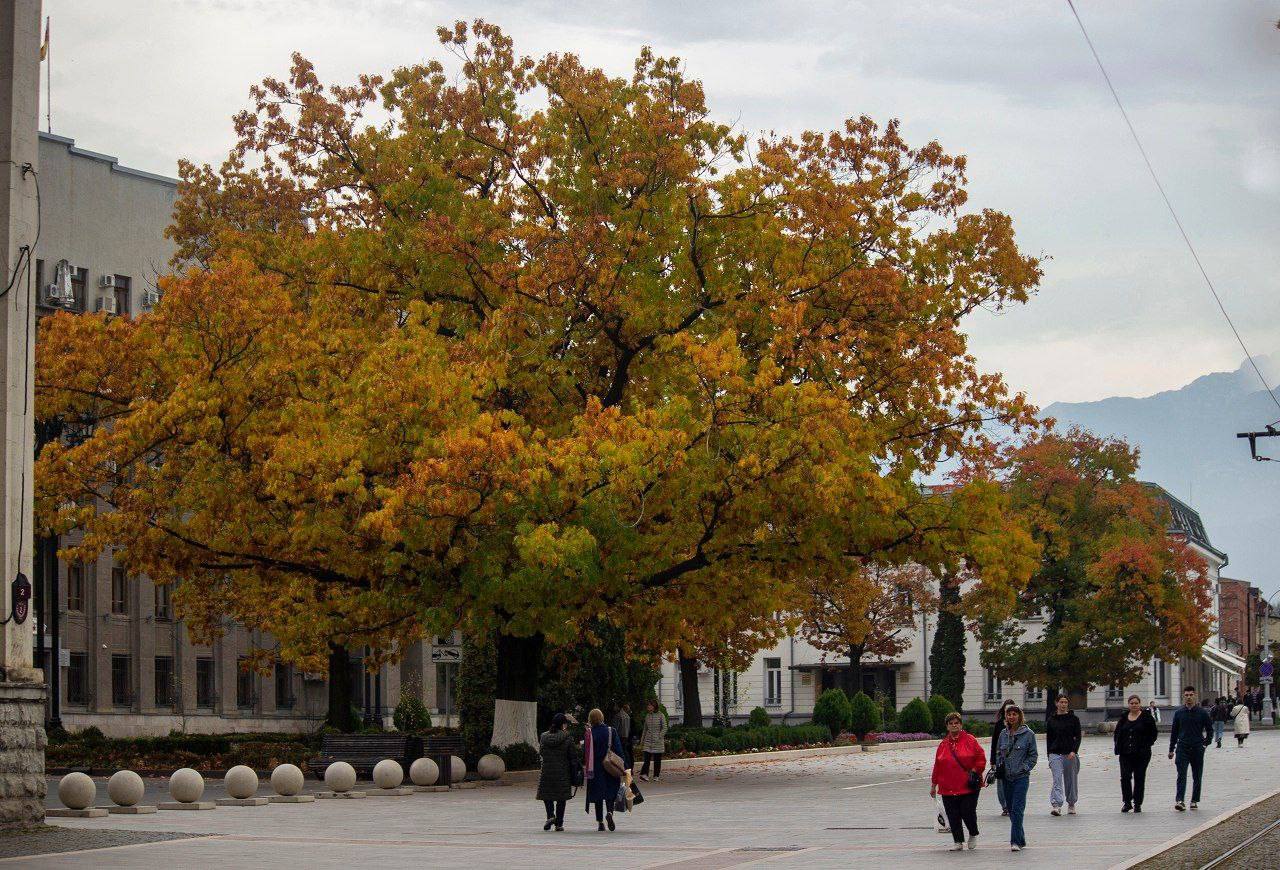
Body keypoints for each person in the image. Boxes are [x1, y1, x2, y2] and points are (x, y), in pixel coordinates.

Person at [931, 712, 986, 851]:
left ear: (961, 724)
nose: (954, 725)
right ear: (947, 726)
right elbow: (937, 765)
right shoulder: (943, 744)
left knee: (968, 812)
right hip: (947, 786)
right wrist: (933, 785)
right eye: (951, 723)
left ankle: (973, 833)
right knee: (953, 815)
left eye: (956, 723)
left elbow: (981, 758)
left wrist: (975, 770)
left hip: (968, 785)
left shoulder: (970, 740)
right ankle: (958, 841)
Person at [994, 704, 1037, 852]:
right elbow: (999, 752)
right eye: (1009, 714)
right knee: (1011, 809)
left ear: (1019, 716)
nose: (1011, 717)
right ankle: (1021, 838)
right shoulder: (1003, 734)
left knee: (1018, 809)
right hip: (1006, 777)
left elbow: (1033, 755)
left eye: (1014, 714)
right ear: (1005, 717)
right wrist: (999, 765)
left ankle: (1015, 842)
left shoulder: (1028, 734)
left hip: (1021, 777)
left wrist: (1025, 767)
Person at [1168, 685, 1213, 811]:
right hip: (1182, 747)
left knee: (1197, 775)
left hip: (1197, 747)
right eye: (1186, 695)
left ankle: (1194, 800)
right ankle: (1180, 800)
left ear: (1195, 696)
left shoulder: (1202, 713)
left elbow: (1210, 730)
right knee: (1181, 774)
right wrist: (1171, 749)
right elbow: (1174, 732)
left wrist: (1205, 744)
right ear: (1183, 696)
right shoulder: (1179, 713)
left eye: (1191, 695)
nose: (1188, 697)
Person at [1113, 694, 1158, 813]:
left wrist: (1146, 744)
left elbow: (1153, 734)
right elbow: (1117, 733)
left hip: (1141, 754)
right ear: (1129, 705)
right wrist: (1118, 746)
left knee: (1139, 777)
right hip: (1125, 754)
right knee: (1125, 777)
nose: (1134, 705)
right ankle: (1127, 802)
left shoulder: (1146, 717)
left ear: (1140, 704)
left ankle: (1137, 803)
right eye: (1132, 703)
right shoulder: (1123, 718)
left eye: (1136, 703)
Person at [583, 707, 625, 832]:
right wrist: (624, 766)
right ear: (602, 718)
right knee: (610, 792)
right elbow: (618, 749)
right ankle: (610, 813)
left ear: (590, 719)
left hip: (595, 768)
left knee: (598, 796)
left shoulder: (589, 733)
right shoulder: (611, 731)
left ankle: (600, 822)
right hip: (610, 766)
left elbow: (585, 753)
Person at [537, 712, 576, 831]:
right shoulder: (567, 737)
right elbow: (572, 757)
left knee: (547, 795)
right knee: (561, 798)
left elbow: (542, 753)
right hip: (562, 772)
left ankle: (550, 816)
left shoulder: (543, 737)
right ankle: (559, 823)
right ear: (563, 725)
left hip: (547, 771)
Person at [1046, 694, 1081, 816]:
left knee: (1071, 779)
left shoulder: (1074, 719)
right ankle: (1056, 805)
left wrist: (1074, 751)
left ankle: (1071, 803)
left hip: (1069, 753)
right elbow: (1049, 739)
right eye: (1061, 702)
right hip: (1055, 753)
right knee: (1057, 779)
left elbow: (1078, 737)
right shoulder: (1051, 720)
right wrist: (1049, 755)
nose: (1063, 704)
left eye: (1065, 702)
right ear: (1056, 703)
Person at [990, 699, 1017, 816]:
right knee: (1001, 783)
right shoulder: (999, 725)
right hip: (1001, 758)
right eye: (1007, 711)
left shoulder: (1019, 726)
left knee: (1014, 782)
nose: (1010, 714)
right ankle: (1005, 806)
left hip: (1015, 759)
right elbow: (994, 743)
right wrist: (992, 760)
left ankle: (1013, 804)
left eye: (1012, 711)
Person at [638, 698, 667, 782]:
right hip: (648, 741)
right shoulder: (647, 716)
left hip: (658, 742)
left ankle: (656, 776)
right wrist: (642, 740)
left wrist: (659, 736)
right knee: (646, 759)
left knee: (657, 760)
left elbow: (665, 728)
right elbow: (645, 729)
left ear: (654, 706)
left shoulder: (661, 715)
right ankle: (644, 774)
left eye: (649, 705)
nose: (648, 706)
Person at [611, 702, 634, 770]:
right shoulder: (627, 716)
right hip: (626, 737)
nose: (614, 708)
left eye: (615, 706)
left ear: (619, 707)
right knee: (626, 752)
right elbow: (628, 728)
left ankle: (625, 767)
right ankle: (629, 767)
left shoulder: (618, 716)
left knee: (620, 753)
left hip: (619, 737)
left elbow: (615, 728)